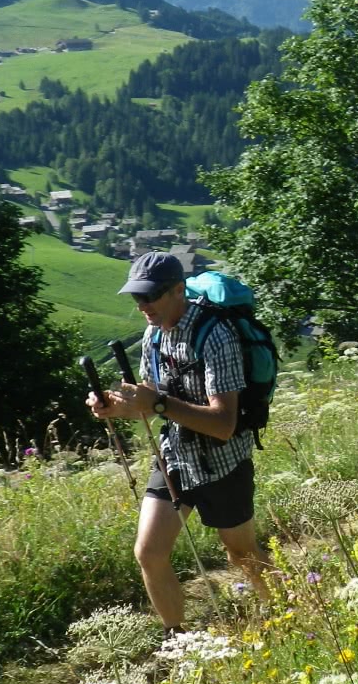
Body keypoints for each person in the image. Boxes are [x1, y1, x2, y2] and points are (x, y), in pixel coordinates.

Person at [87, 252, 270, 637]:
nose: (143, 306)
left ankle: (289, 610)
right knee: (149, 553)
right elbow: (150, 405)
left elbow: (224, 423)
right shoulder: (154, 334)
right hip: (174, 456)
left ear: (177, 290)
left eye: (150, 296)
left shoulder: (214, 334)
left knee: (242, 553)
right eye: (137, 298)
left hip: (223, 461)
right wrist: (116, 407)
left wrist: (154, 403)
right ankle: (179, 641)